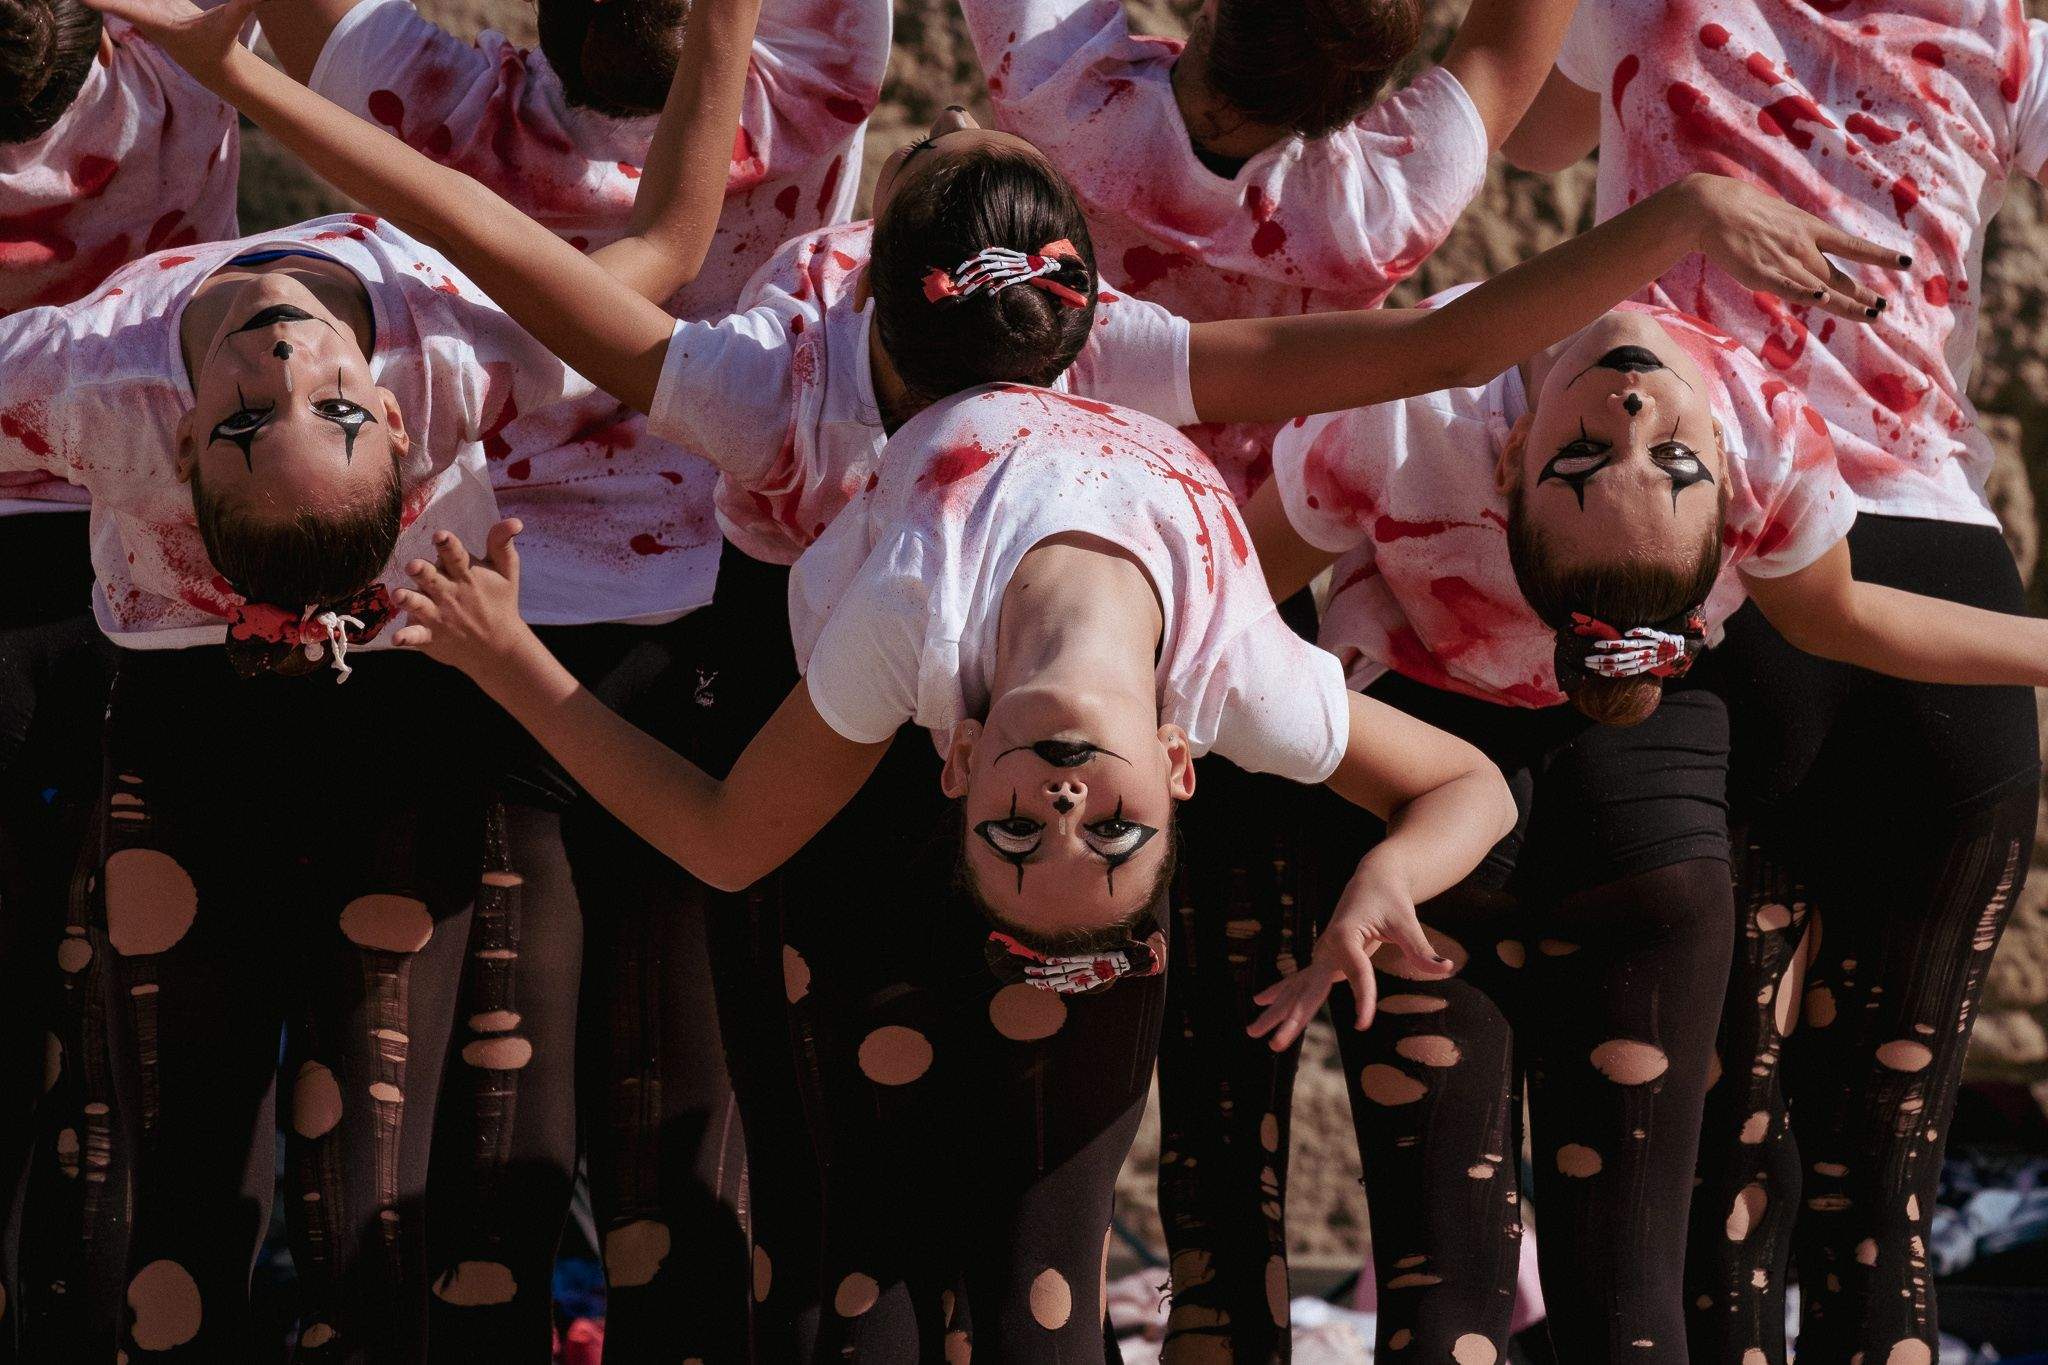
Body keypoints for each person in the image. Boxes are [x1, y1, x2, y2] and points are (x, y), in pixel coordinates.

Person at [396, 381, 1521, 1356]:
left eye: (1018, 832)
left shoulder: (915, 624)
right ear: (1180, 763)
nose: (1066, 809)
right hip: (1106, 331)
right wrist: (1387, 879)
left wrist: (509, 660)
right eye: (1113, 834)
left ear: (963, 762)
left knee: (915, 1272)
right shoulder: (1239, 677)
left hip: (951, 355)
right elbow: (1470, 787)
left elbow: (721, 840)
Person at [1243, 291, 2048, 1363]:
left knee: (1456, 1284)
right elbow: (1846, 615)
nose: (1628, 405)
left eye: (1597, 451)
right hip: (1603, 812)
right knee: (1617, 1297)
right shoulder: (1758, 423)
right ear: (1733, 494)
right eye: (1661, 451)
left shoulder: (1408, 403)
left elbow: (1225, 602)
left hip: (1435, 794)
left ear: (1510, 456)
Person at [250, 0, 887, 1351]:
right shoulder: (818, 80)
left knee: (487, 1188)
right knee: (681, 1183)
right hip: (713, 646)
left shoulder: (423, 88)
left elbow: (289, 23)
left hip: (476, 633)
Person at [1504, 3, 2048, 1358]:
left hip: (1716, 561)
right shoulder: (2001, 32)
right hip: (1942, 585)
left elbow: (1525, 142)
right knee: (1889, 1191)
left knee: (1712, 1170)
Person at [957, 0, 1576, 499]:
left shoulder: (1055, 84)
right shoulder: (1380, 212)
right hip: (1216, 539)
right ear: (1371, 82)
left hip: (1002, 469)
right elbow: (1505, 43)